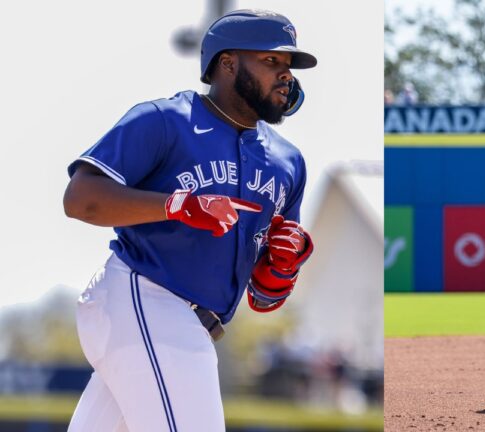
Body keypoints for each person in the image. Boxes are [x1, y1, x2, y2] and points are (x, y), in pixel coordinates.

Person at [63, 9, 316, 431]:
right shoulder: (164, 120)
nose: (285, 74)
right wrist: (176, 205)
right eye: (271, 61)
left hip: (191, 324)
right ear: (228, 63)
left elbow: (263, 297)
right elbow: (80, 199)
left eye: (288, 66)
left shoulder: (288, 162)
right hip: (144, 297)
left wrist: (283, 265)